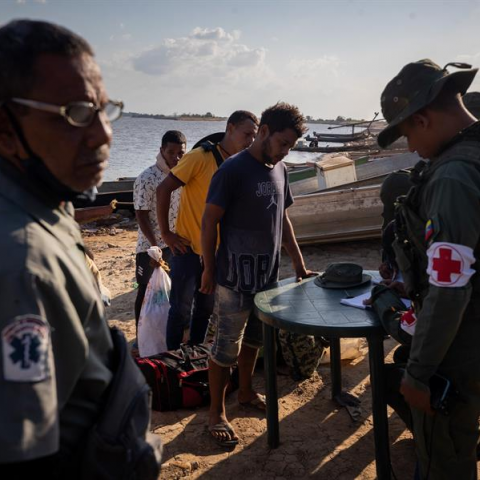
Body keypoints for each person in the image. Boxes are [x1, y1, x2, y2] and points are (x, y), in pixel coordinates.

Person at [0, 20, 159, 477]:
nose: (103, 135)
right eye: (75, 113)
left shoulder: (45, 199)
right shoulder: (20, 263)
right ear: (6, 129)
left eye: (104, 110)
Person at [378, 58, 480, 479]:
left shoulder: (452, 177)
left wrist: (419, 374)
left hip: (460, 347)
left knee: (444, 459)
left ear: (421, 118)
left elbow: (449, 288)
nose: (410, 149)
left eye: (406, 135)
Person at [200, 102, 316, 447]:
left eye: (291, 147)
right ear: (263, 131)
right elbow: (209, 221)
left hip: (267, 278)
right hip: (234, 278)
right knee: (225, 348)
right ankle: (216, 412)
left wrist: (297, 261)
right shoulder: (233, 170)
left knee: (254, 340)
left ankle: (247, 392)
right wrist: (208, 267)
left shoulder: (280, 170)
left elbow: (283, 217)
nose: (285, 152)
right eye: (282, 144)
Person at [157, 110, 259, 350]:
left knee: (204, 309)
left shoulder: (240, 164)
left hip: (218, 253)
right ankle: (171, 360)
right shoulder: (199, 157)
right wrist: (166, 234)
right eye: (247, 135)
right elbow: (163, 190)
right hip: (188, 248)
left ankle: (195, 354)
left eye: (254, 137)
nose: (250, 141)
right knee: (180, 310)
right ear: (230, 128)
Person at [133, 130, 186, 330]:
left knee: (170, 291)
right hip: (150, 246)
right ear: (161, 150)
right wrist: (155, 246)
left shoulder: (182, 175)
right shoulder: (147, 177)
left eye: (180, 153)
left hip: (176, 242)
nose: (176, 157)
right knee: (145, 290)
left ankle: (162, 331)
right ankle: (140, 336)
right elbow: (141, 215)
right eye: (171, 152)